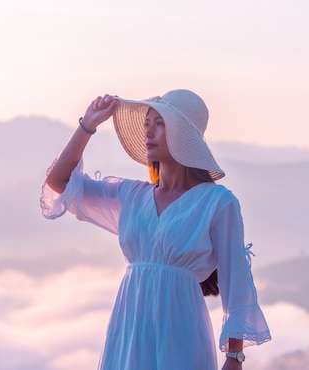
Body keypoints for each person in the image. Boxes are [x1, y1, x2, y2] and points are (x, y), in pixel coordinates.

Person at [41, 90, 271, 370]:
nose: (148, 131)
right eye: (147, 123)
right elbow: (59, 182)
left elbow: (236, 283)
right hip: (128, 331)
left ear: (183, 134)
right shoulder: (131, 196)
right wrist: (87, 125)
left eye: (159, 123)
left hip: (181, 334)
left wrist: (234, 359)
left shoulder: (217, 203)